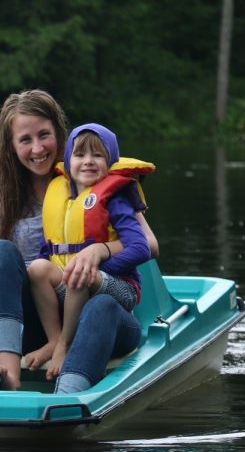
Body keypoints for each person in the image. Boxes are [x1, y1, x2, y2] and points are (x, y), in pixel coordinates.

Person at [0, 89, 158, 392]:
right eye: (25, 140)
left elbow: (148, 245)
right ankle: (6, 376)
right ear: (11, 147)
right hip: (36, 321)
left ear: (60, 135)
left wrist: (97, 252)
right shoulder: (1, 197)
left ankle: (68, 395)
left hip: (100, 318)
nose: (37, 148)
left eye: (44, 135)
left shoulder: (94, 181)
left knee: (101, 305)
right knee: (1, 252)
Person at [27, 123, 153, 381]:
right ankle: (53, 340)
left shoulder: (115, 200)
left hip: (118, 287)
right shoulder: (60, 196)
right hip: (73, 281)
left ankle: (64, 345)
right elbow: (46, 248)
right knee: (37, 269)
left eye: (97, 155)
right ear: (68, 161)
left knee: (78, 273)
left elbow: (141, 248)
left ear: (111, 162)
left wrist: (98, 265)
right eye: (80, 155)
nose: (88, 162)